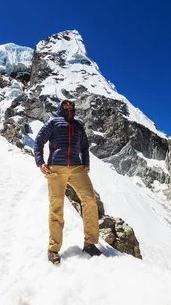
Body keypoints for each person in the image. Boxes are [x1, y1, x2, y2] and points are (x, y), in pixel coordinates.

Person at [34, 99, 102, 264]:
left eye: (70, 104)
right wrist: (40, 162)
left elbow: (85, 146)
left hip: (77, 168)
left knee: (90, 200)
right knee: (56, 207)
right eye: (65, 104)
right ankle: (53, 249)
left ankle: (90, 243)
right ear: (60, 107)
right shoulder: (54, 122)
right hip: (56, 168)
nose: (68, 106)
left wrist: (86, 162)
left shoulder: (78, 125)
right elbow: (38, 141)